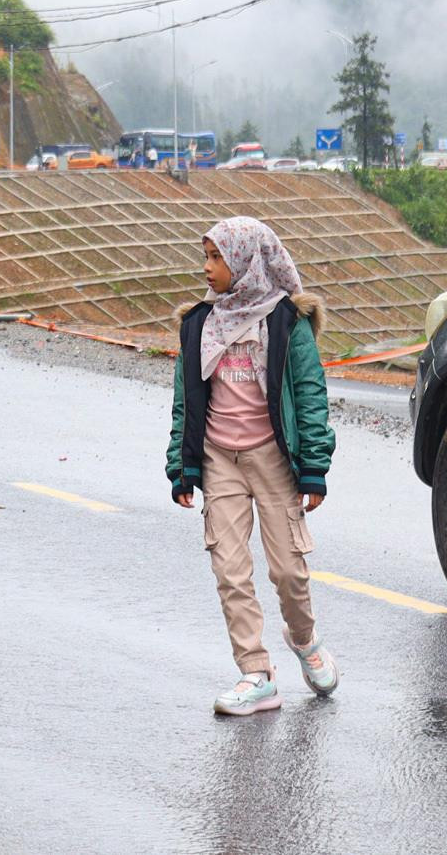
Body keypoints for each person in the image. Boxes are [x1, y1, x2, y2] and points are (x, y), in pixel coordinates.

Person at [167, 217, 340, 716]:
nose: (206, 268)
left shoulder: (287, 323)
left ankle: (304, 640)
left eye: (216, 258)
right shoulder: (199, 323)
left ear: (246, 262)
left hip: (273, 458)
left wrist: (314, 467)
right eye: (205, 257)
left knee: (288, 570)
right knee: (229, 567)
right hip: (220, 460)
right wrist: (183, 466)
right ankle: (255, 672)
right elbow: (186, 400)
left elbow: (310, 394)